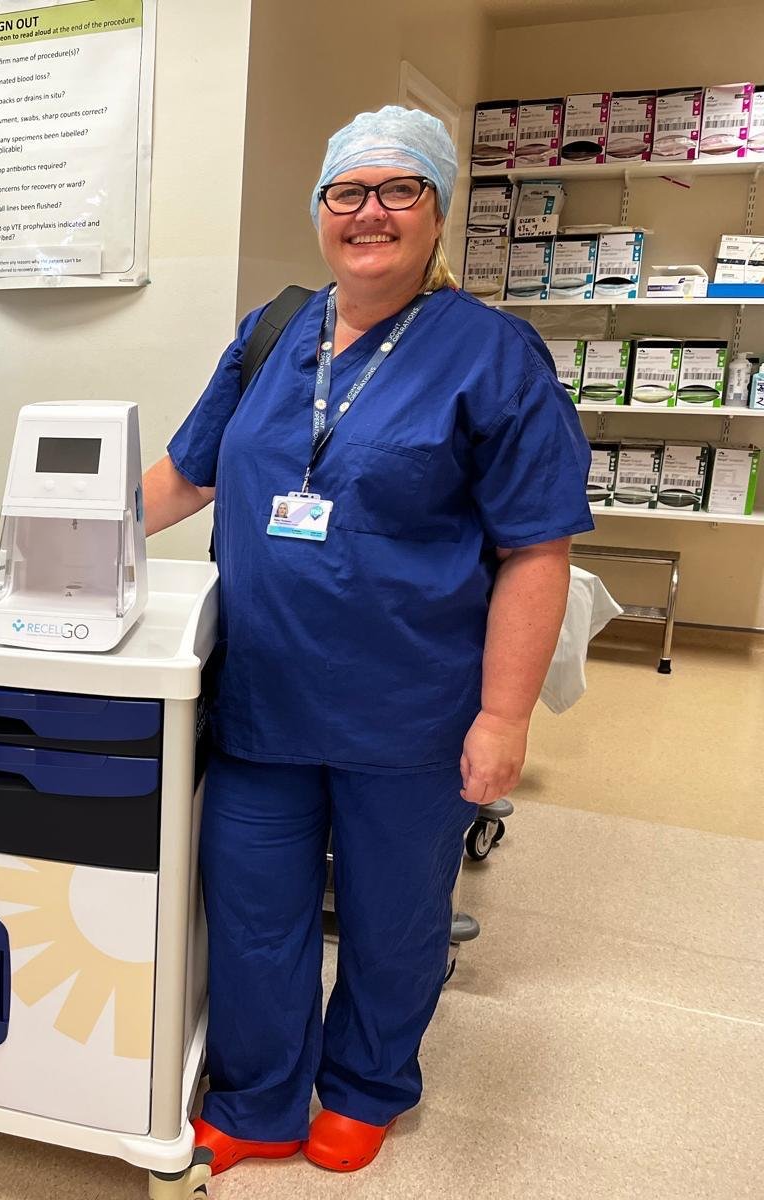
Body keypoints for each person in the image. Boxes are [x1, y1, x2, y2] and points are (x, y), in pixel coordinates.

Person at [143, 106, 590, 1175]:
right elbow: (188, 475)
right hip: (262, 700)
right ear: (320, 210)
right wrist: (48, 533)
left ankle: (366, 1085)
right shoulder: (270, 332)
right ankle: (257, 1097)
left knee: (393, 919)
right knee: (252, 907)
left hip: (411, 711)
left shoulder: (493, 356)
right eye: (347, 192)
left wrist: (503, 717)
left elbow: (536, 549)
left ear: (437, 212)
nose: (370, 213)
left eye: (400, 190)